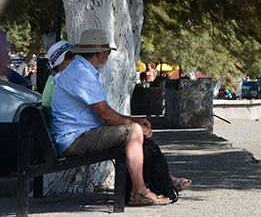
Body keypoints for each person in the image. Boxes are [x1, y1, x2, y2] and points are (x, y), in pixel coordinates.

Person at [51, 29, 175, 205]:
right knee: (132, 132)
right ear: (101, 53)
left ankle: (155, 181)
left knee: (134, 129)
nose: (108, 56)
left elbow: (105, 114)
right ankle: (139, 192)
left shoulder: (80, 69)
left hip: (80, 134)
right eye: (108, 52)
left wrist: (134, 120)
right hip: (74, 139)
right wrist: (134, 124)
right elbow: (105, 114)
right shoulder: (81, 73)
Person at [41, 40, 75, 121]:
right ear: (57, 62)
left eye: (76, 54)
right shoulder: (60, 82)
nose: (74, 58)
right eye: (69, 55)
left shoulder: (57, 78)